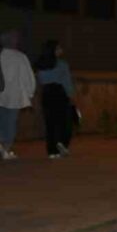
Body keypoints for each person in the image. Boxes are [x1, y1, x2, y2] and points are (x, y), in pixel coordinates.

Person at [34, 40, 76, 159]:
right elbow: (66, 82)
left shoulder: (40, 64)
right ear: (53, 50)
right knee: (65, 122)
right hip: (59, 92)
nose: (61, 51)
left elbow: (39, 80)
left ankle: (52, 151)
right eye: (58, 49)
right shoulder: (62, 64)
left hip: (47, 93)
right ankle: (62, 143)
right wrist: (71, 95)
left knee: (50, 122)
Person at [0, 30, 35, 160]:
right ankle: (6, 149)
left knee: (1, 120)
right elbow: (28, 77)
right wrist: (29, 93)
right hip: (14, 96)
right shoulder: (20, 57)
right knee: (10, 122)